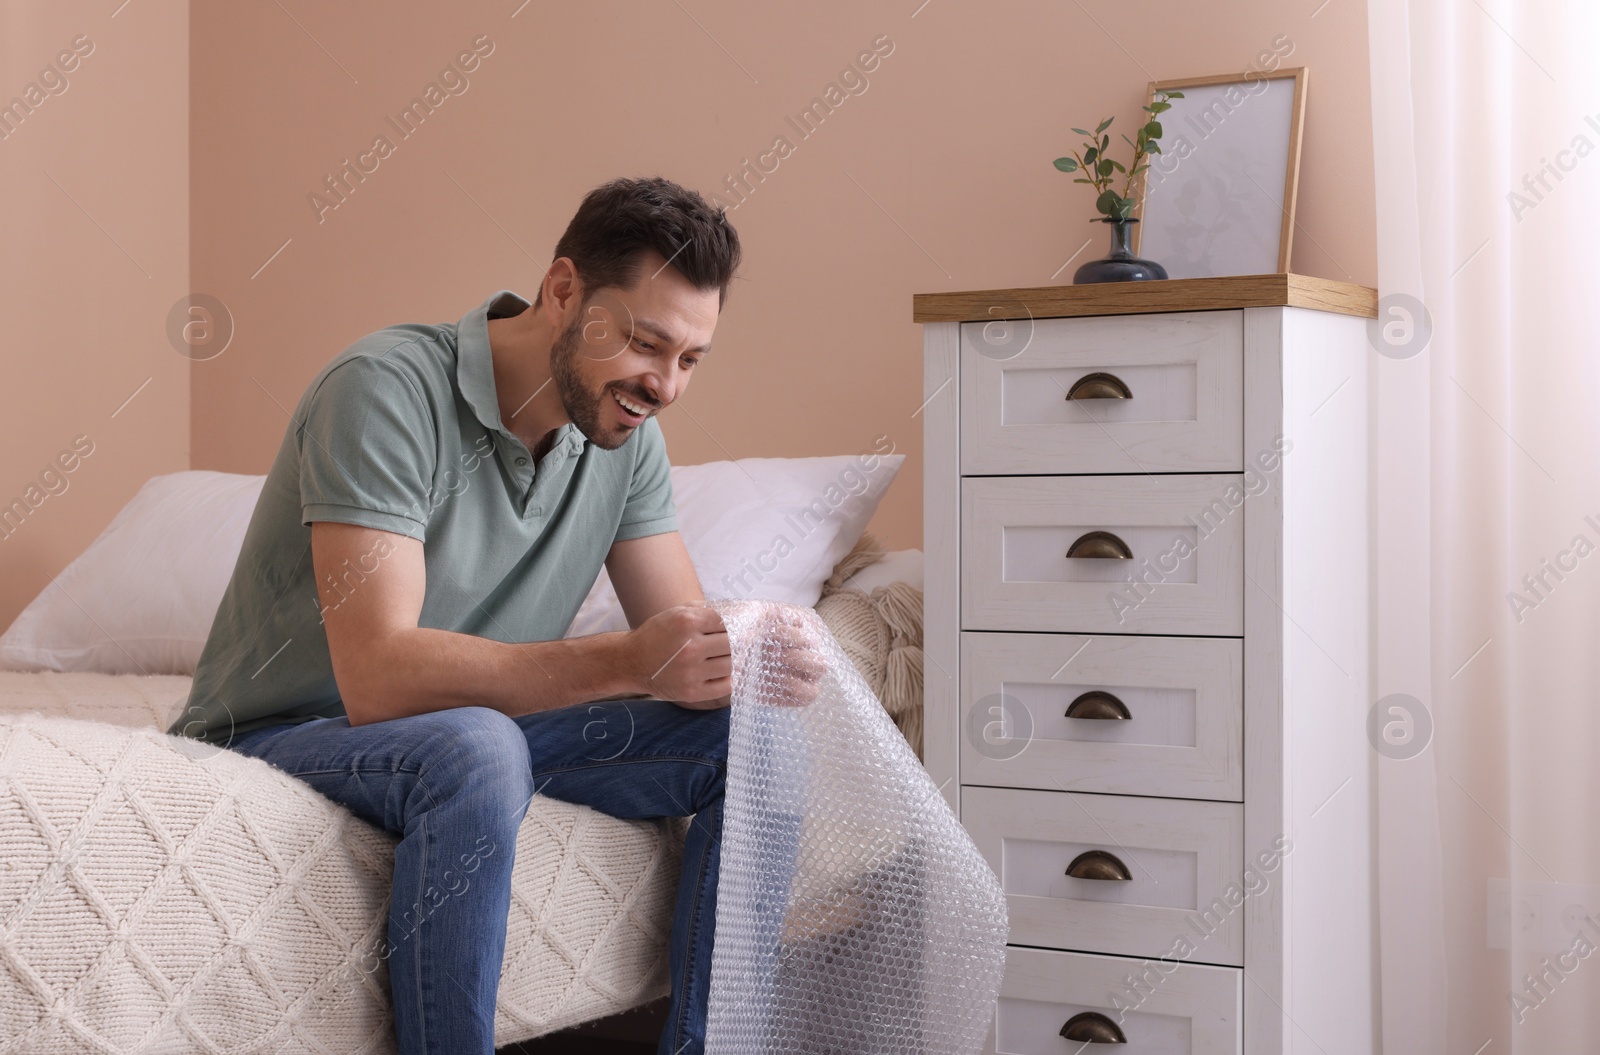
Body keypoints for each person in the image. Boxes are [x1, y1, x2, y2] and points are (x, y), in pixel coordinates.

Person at [168, 176, 824, 1055]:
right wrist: (632, 660)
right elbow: (378, 678)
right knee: (476, 743)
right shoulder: (385, 390)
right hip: (293, 729)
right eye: (645, 342)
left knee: (759, 740)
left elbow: (680, 650)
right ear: (563, 293)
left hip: (489, 735)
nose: (664, 385)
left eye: (691, 359)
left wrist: (745, 648)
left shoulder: (625, 442)